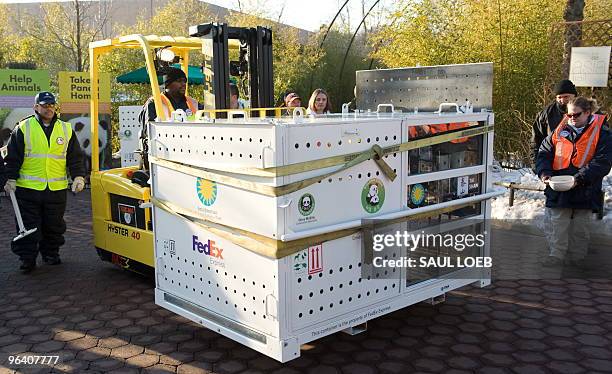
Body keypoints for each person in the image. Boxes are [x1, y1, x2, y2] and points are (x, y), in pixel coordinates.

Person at [3, 92, 86, 273]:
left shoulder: (66, 129)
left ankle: (51, 254)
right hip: (28, 189)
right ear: (36, 107)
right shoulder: (24, 128)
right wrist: (10, 179)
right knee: (28, 226)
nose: (48, 108)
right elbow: (12, 157)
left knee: (53, 225)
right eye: (44, 105)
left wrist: (79, 176)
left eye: (51, 104)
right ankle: (27, 259)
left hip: (55, 189)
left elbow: (75, 157)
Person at [536, 96, 611, 267]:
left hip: (585, 187)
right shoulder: (560, 129)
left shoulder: (603, 132)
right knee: (557, 223)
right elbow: (544, 153)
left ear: (587, 112)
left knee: (580, 226)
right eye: (568, 115)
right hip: (558, 185)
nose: (571, 119)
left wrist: (580, 178)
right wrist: (544, 173)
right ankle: (556, 256)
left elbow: (602, 162)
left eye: (576, 115)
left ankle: (578, 259)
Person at [138, 67, 203, 169]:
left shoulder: (193, 103)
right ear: (168, 84)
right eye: (178, 81)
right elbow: (148, 132)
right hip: (162, 157)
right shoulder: (154, 103)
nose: (183, 84)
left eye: (184, 81)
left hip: (190, 155)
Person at [532, 79, 577, 166]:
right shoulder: (545, 114)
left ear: (574, 96)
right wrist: (537, 165)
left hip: (581, 166)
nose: (563, 100)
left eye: (566, 96)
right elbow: (536, 141)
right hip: (553, 166)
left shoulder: (587, 111)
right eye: (559, 97)